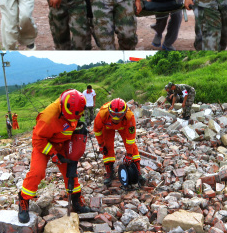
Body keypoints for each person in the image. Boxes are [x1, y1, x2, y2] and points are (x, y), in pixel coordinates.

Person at [17, 89, 92, 223]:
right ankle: (24, 200)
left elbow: (72, 124)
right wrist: (53, 154)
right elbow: (37, 140)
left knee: (71, 171)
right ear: (62, 109)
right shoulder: (48, 118)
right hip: (44, 144)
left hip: (62, 142)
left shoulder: (76, 104)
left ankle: (76, 200)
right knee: (37, 173)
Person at [92, 98, 144, 186]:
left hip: (123, 127)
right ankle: (109, 172)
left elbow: (130, 138)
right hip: (107, 128)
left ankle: (137, 172)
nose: (115, 119)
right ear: (109, 111)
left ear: (123, 114)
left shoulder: (129, 116)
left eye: (118, 116)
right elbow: (97, 130)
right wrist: (101, 144)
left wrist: (129, 155)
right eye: (113, 115)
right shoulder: (102, 114)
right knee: (107, 147)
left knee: (133, 147)